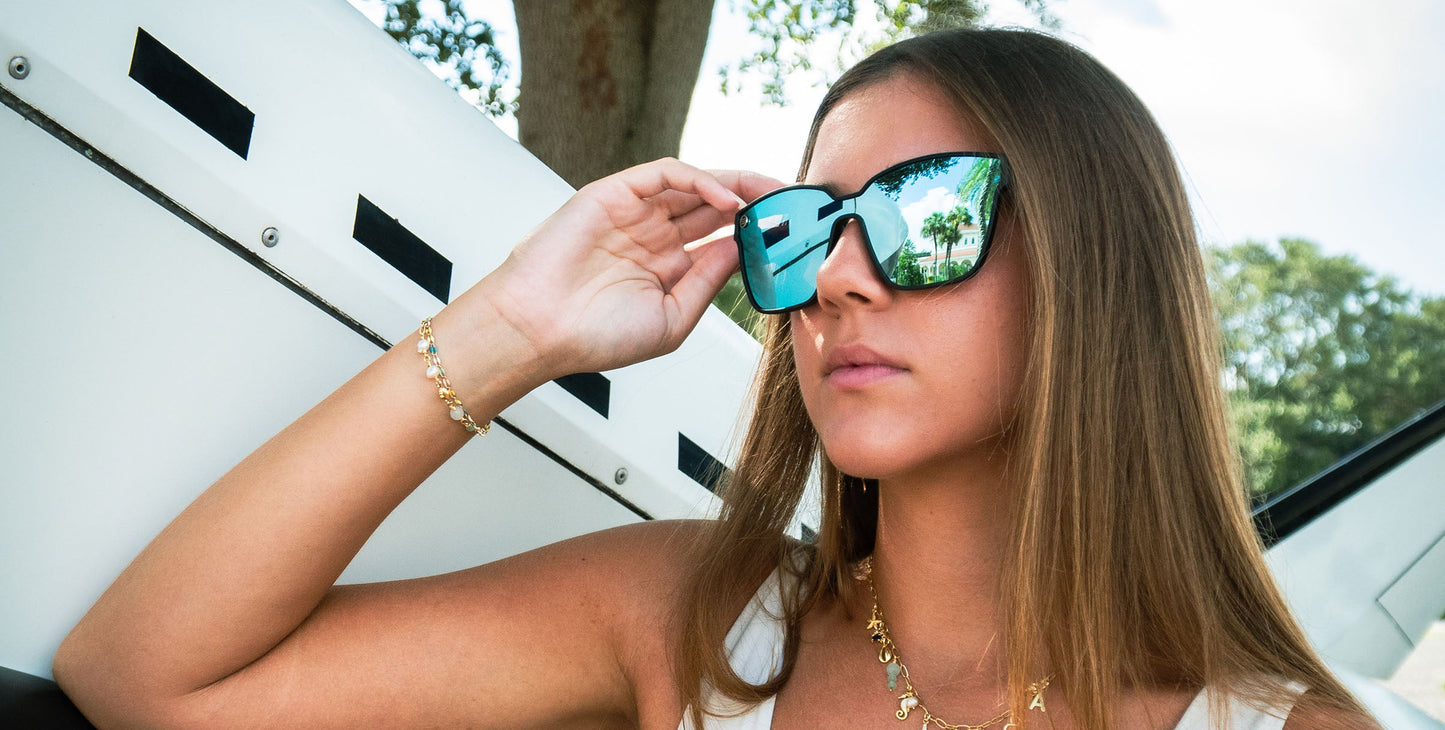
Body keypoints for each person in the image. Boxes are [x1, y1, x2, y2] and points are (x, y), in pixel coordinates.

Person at [52, 28, 1380, 729]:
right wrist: (516, 326)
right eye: (804, 229)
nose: (842, 281)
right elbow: (151, 678)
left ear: (1099, 271)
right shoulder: (696, 617)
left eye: (921, 218)